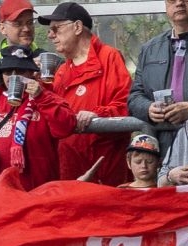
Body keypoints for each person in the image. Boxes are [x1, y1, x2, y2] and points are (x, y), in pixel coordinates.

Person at [41, 2, 130, 185]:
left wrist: (98, 115)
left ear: (77, 27)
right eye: (50, 30)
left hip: (104, 170)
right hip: (69, 170)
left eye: (56, 29)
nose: (50, 35)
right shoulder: (61, 72)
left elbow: (126, 104)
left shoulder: (110, 57)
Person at [0, 50, 76, 188]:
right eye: (8, 72)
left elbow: (66, 126)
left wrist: (41, 97)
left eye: (20, 71)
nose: (13, 76)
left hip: (32, 189)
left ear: (31, 73)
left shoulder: (46, 97)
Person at [128, 0, 188, 147]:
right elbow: (135, 96)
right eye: (172, 0)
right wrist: (148, 108)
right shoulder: (150, 49)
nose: (179, 3)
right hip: (164, 143)